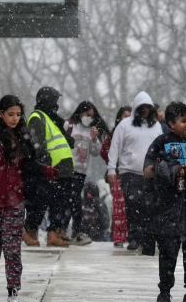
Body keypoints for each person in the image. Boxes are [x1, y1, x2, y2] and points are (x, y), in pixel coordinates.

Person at [0, 95, 52, 302]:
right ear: (0, 113)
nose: (15, 119)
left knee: (12, 249)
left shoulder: (22, 135)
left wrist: (43, 170)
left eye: (18, 114)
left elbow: (28, 163)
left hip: (15, 201)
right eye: (11, 114)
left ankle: (13, 293)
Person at [144, 102, 186, 302]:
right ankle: (164, 293)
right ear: (171, 123)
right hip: (169, 207)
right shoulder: (161, 142)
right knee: (168, 251)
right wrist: (167, 169)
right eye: (183, 121)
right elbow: (146, 170)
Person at [107, 92, 162, 253]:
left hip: (150, 173)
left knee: (148, 207)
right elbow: (115, 147)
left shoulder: (156, 126)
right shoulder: (125, 125)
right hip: (129, 172)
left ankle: (146, 237)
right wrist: (111, 169)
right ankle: (134, 236)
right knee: (133, 205)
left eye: (147, 108)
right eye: (141, 107)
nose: (144, 110)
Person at [24, 87, 75, 248]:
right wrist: (45, 165)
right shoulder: (37, 117)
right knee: (41, 203)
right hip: (51, 169)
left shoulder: (50, 118)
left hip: (63, 170)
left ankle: (55, 233)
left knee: (60, 204)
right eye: (54, 101)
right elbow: (38, 145)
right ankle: (31, 231)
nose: (56, 105)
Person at [64, 101, 107, 245]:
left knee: (75, 200)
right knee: (69, 200)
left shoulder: (91, 130)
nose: (89, 118)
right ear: (80, 113)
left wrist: (94, 139)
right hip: (68, 169)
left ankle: (76, 230)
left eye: (92, 116)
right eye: (87, 114)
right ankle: (64, 229)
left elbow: (95, 152)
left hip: (82, 171)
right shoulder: (70, 126)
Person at [101, 106, 131, 247]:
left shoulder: (136, 133)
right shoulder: (115, 133)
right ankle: (119, 237)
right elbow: (104, 150)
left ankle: (131, 235)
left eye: (130, 115)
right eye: (125, 115)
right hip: (118, 175)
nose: (127, 118)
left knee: (131, 206)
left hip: (133, 174)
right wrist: (114, 160)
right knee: (119, 206)